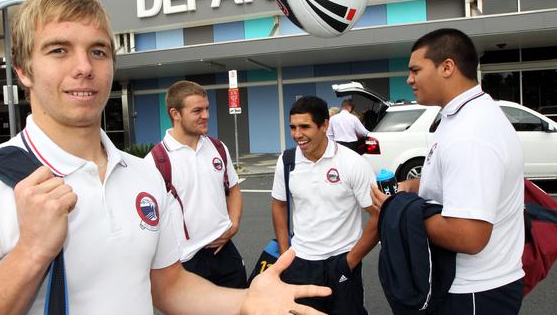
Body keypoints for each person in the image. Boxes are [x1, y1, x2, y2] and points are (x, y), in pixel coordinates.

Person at [0, 0, 331, 315]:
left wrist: (243, 302)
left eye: (98, 51)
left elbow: (168, 287)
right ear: (22, 70)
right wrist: (31, 254)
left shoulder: (143, 174)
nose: (84, 67)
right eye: (58, 50)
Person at [371, 28, 525, 314]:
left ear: (447, 67)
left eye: (416, 69)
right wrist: (408, 189)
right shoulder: (461, 116)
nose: (409, 79)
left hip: (473, 291)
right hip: (467, 285)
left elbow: (469, 236)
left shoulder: (471, 133)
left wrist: (396, 208)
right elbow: (450, 182)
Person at [272, 96, 379, 315]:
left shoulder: (352, 163)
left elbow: (378, 215)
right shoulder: (287, 161)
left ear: (324, 126)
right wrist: (285, 254)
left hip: (341, 261)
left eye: (305, 126)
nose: (297, 134)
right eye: (293, 127)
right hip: (299, 261)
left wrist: (351, 260)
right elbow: (279, 205)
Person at [145, 80, 246, 288]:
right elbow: (148, 221)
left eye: (207, 108)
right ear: (176, 114)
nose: (206, 115)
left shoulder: (218, 147)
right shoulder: (155, 161)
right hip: (185, 261)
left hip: (225, 251)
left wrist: (234, 224)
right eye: (197, 111)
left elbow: (234, 188)